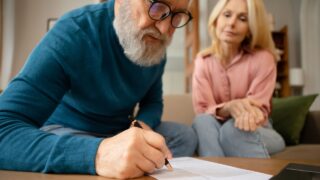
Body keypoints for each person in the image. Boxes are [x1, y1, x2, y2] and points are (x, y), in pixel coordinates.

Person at [0, 0, 197, 178]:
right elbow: (3, 128)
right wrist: (97, 154)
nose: (164, 29)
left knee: (185, 136)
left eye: (177, 15)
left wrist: (142, 124)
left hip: (120, 131)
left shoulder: (156, 49)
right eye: (156, 7)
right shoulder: (73, 32)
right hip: (69, 132)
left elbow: (153, 101)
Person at [192, 0, 285, 158]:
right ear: (216, 19)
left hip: (257, 129)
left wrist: (245, 114)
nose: (231, 23)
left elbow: (256, 108)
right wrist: (228, 107)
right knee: (202, 121)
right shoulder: (203, 61)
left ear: (250, 28)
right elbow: (203, 109)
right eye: (227, 15)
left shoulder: (264, 58)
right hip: (214, 128)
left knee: (232, 130)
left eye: (242, 19)